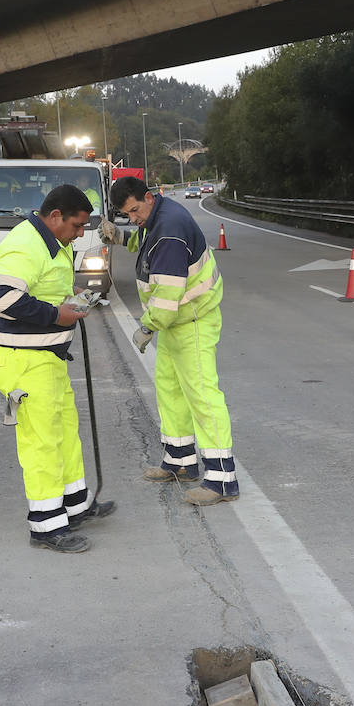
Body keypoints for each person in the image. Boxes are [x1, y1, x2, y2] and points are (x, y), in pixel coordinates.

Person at [0, 184, 116, 553]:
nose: (79, 234)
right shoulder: (24, 244)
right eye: (76, 226)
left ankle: (74, 506)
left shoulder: (55, 243)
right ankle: (45, 527)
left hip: (47, 358)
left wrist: (71, 302)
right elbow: (4, 299)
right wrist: (57, 314)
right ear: (55, 216)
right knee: (40, 441)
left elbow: (45, 288)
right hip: (21, 362)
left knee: (65, 431)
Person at [105, 175, 238, 506]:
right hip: (178, 324)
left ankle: (222, 479)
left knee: (202, 395)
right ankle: (180, 461)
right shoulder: (157, 217)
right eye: (127, 215)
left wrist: (147, 327)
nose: (134, 218)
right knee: (170, 388)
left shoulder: (169, 228)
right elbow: (145, 244)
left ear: (148, 197)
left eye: (135, 211)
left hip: (191, 321)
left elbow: (167, 293)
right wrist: (121, 236)